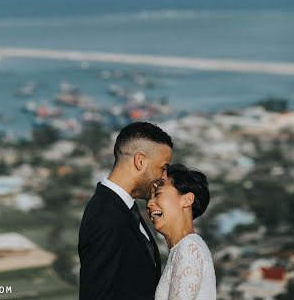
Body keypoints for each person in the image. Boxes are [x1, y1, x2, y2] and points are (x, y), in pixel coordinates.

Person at [78, 121, 173, 300]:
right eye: (163, 168)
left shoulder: (124, 209)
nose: (164, 177)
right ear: (140, 161)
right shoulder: (105, 216)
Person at [146, 164, 216, 300]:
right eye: (149, 197)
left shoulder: (189, 248)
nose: (149, 203)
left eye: (158, 194)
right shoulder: (183, 248)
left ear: (187, 199)